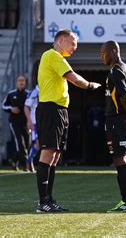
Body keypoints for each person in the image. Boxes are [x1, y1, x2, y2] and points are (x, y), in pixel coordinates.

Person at [35, 29, 100, 213]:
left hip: (59, 110)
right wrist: (90, 85)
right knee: (48, 153)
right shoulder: (52, 55)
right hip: (50, 109)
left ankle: (49, 199)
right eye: (73, 43)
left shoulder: (55, 58)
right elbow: (74, 78)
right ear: (61, 40)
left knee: (55, 156)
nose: (75, 48)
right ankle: (43, 202)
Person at [100, 40, 126, 212]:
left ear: (114, 52)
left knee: (120, 158)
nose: (102, 57)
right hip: (124, 120)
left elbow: (125, 97)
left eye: (104, 53)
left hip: (117, 121)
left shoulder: (117, 71)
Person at [2, 75, 29, 171]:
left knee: (27, 142)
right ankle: (25, 164)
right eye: (19, 80)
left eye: (23, 80)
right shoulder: (11, 94)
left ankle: (14, 160)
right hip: (14, 122)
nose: (21, 82)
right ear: (16, 83)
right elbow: (3, 106)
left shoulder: (28, 94)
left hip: (25, 122)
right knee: (19, 143)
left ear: (25, 82)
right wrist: (11, 109)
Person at [24, 84, 39, 173]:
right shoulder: (35, 91)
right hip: (35, 122)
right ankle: (29, 160)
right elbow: (26, 106)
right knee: (38, 142)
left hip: (45, 121)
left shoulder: (49, 88)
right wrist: (29, 121)